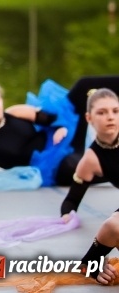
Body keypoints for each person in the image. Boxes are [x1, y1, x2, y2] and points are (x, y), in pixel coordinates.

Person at [0, 80, 74, 185]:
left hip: (63, 144)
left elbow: (51, 119)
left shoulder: (16, 112)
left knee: (83, 87)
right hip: (50, 171)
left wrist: (60, 127)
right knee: (72, 167)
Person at [60, 88, 119, 220]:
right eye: (101, 112)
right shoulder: (91, 159)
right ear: (89, 118)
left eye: (116, 111)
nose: (110, 117)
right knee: (112, 224)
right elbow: (71, 201)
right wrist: (66, 215)